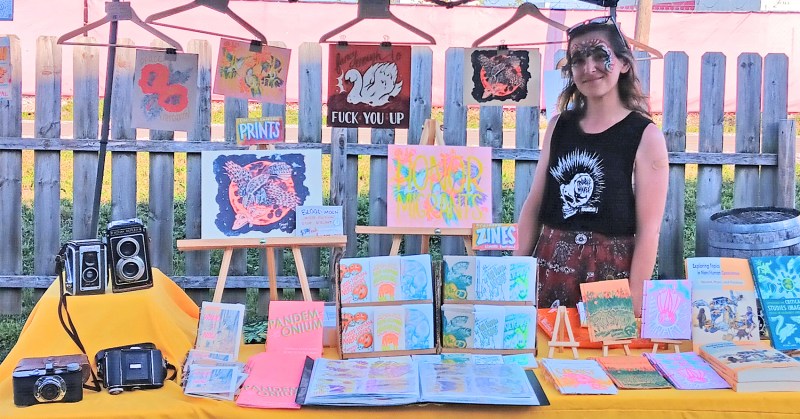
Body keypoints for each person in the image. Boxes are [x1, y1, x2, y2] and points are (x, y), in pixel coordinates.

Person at [514, 16, 669, 317]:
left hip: (611, 275)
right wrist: (516, 275)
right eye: (578, 59)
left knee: (601, 360)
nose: (589, 67)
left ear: (624, 63)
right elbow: (534, 203)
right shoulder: (559, 126)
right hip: (550, 265)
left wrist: (635, 300)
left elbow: (649, 230)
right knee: (546, 355)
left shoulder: (645, 134)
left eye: (600, 55)